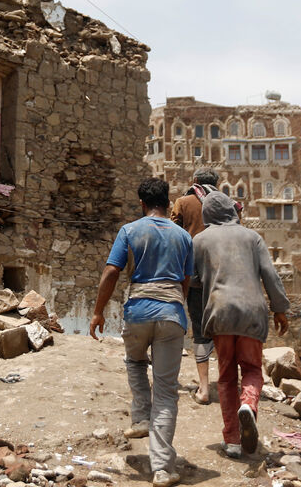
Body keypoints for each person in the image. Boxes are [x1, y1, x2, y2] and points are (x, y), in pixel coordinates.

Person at [90, 177, 194, 487]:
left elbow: (112, 271)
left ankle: (141, 418)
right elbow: (186, 280)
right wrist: (175, 306)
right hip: (172, 313)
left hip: (137, 311)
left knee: (135, 362)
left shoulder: (130, 231)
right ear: (168, 202)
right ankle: (161, 469)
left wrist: (98, 311)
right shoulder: (184, 237)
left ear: (141, 204)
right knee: (166, 390)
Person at [192, 190, 290, 458]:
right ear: (231, 211)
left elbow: (193, 279)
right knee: (252, 369)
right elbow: (270, 274)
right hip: (251, 313)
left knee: (225, 377)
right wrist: (280, 309)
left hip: (220, 313)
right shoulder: (252, 237)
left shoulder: (199, 240)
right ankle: (248, 404)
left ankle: (233, 440)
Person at [169, 167, 230, 405]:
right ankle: (228, 385)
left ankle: (204, 389)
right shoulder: (227, 204)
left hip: (194, 276)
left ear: (194, 181)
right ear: (216, 183)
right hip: (224, 276)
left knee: (199, 327)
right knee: (224, 329)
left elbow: (174, 234)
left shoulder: (183, 203)